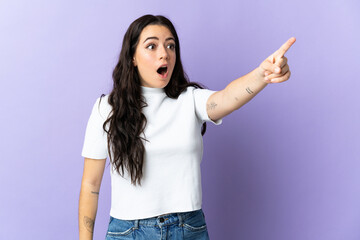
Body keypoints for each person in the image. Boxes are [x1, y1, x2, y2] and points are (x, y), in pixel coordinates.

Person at [78, 14, 295, 240]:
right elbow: (90, 184)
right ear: (132, 57)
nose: (164, 53)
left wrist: (262, 74)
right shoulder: (107, 108)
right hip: (129, 232)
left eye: (170, 45)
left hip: (188, 229)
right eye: (151, 46)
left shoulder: (190, 100)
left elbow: (228, 97)